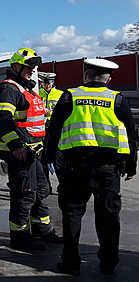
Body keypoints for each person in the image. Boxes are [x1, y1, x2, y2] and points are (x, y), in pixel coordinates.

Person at [44, 58, 137, 276]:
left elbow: (54, 128)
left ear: (86, 76)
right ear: (109, 79)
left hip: (75, 167)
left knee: (72, 214)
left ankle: (70, 263)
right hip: (108, 168)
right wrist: (131, 166)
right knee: (108, 215)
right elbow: (132, 136)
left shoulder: (70, 96)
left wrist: (48, 157)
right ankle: (108, 263)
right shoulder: (117, 99)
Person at [0, 48, 63, 251]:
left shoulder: (27, 88)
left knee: (41, 190)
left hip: (35, 152)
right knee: (24, 194)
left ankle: (42, 229)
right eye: (28, 67)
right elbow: (3, 119)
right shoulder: (9, 88)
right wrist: (15, 147)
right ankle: (20, 236)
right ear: (15, 66)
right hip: (21, 153)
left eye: (33, 67)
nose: (32, 70)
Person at [39, 72, 63, 194]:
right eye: (45, 83)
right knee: (43, 160)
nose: (47, 85)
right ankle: (45, 187)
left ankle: (63, 186)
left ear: (53, 83)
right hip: (41, 131)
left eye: (49, 83)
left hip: (55, 131)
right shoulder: (36, 94)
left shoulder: (60, 95)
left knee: (58, 159)